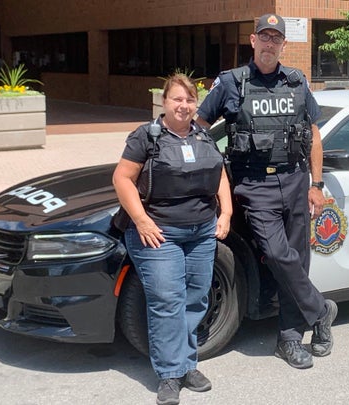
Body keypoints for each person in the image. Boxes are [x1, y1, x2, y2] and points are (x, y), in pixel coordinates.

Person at [196, 13, 337, 370]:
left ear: (283, 45)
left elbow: (314, 134)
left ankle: (290, 338)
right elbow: (199, 129)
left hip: (294, 181)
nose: (270, 43)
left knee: (297, 260)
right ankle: (321, 309)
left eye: (276, 38)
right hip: (254, 185)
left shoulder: (296, 81)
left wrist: (316, 185)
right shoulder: (231, 83)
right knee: (277, 254)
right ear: (253, 41)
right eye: (265, 36)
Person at [113, 72, 232, 405]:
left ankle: (187, 365)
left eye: (190, 99)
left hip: (202, 232)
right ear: (164, 102)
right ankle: (169, 374)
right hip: (159, 235)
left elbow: (220, 175)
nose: (184, 105)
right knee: (167, 302)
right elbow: (122, 179)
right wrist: (141, 220)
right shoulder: (146, 137)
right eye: (177, 99)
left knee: (196, 300)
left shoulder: (204, 136)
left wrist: (225, 214)